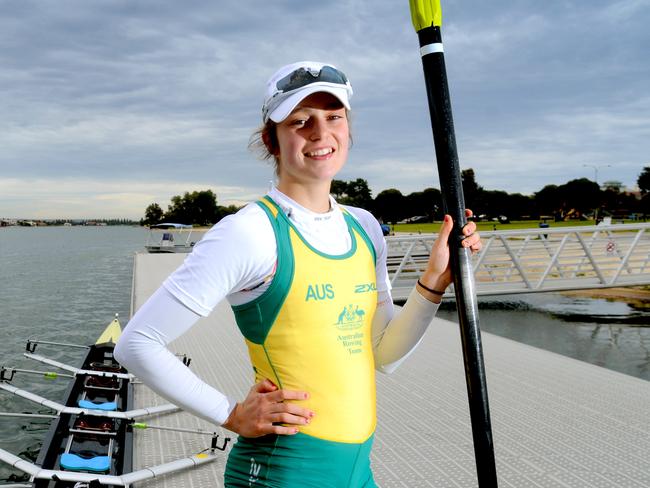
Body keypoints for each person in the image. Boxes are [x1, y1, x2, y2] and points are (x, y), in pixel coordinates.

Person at [114, 61, 482, 487]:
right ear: (272, 139)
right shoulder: (249, 232)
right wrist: (231, 414)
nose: (321, 133)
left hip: (357, 471)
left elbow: (383, 356)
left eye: (333, 117)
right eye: (301, 121)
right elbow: (136, 344)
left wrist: (434, 282)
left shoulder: (363, 227)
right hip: (284, 470)